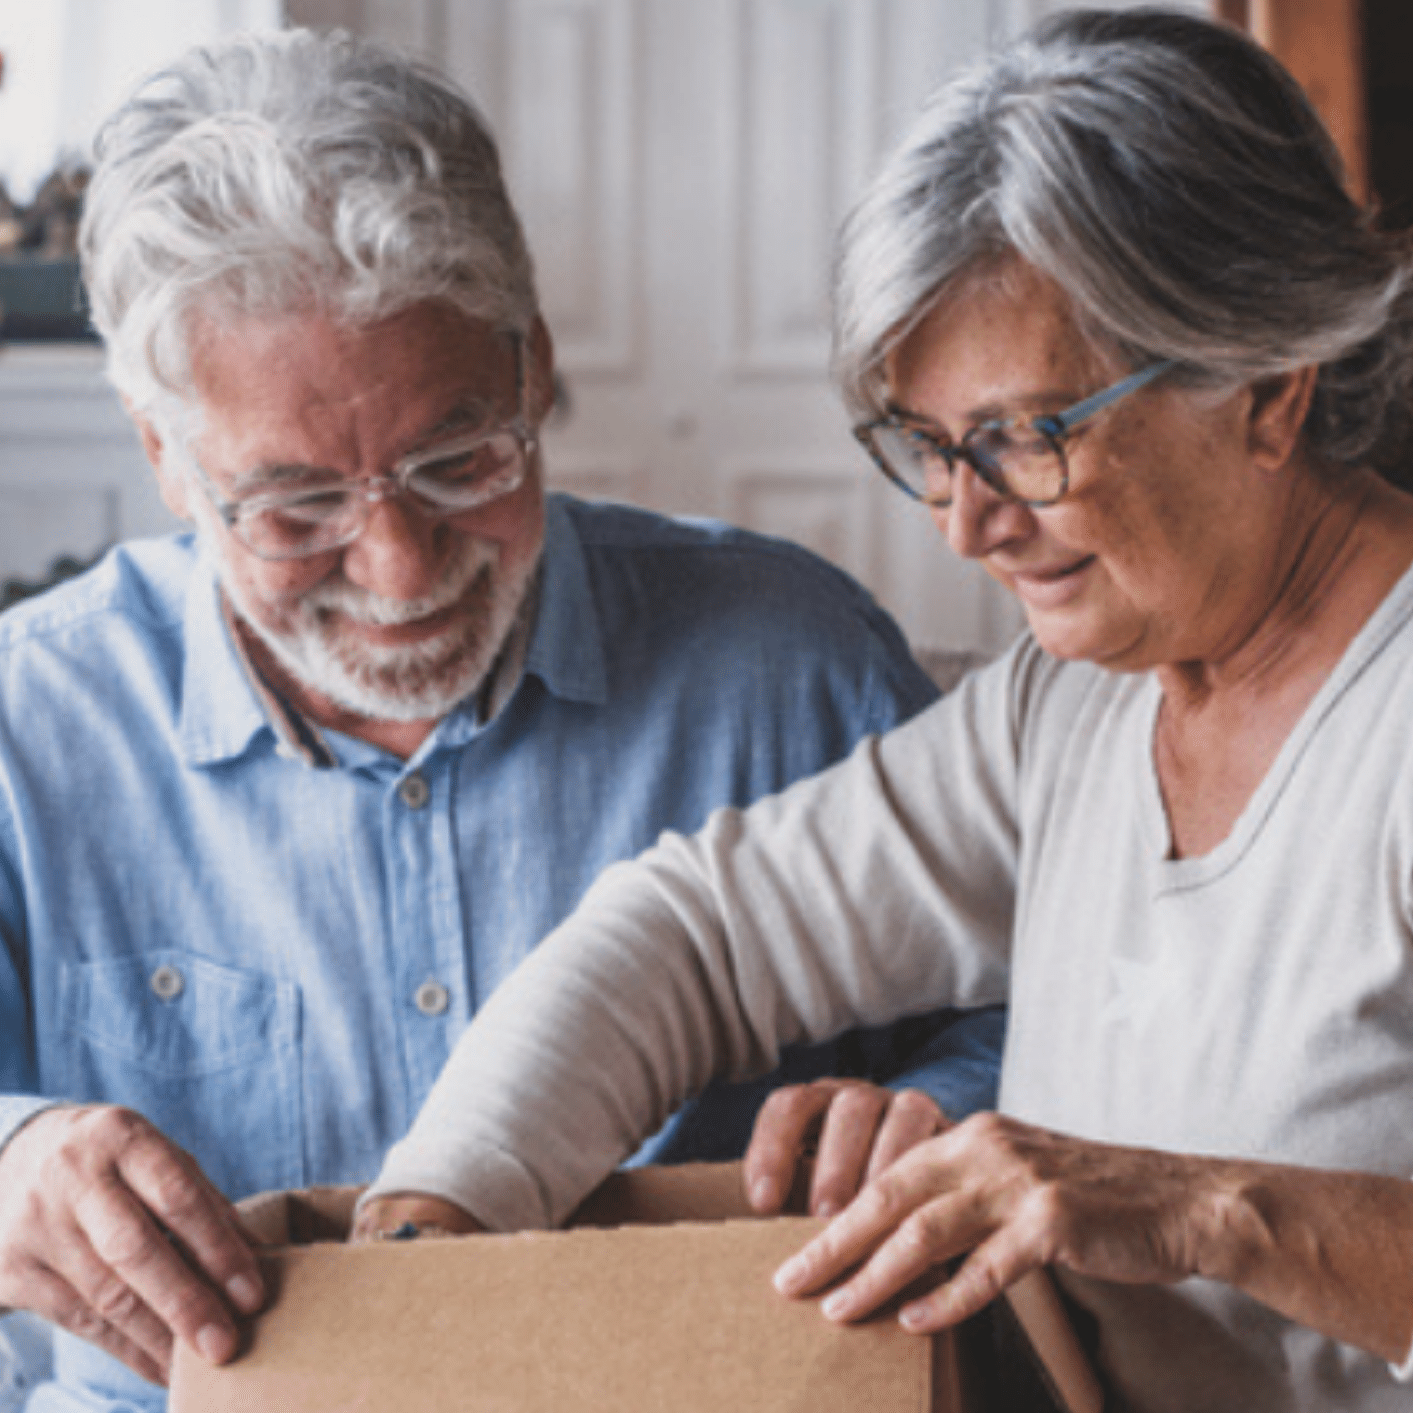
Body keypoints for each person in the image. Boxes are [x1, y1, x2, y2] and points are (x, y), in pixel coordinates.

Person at [356, 8, 1413, 1411]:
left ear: (1271, 389)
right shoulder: (1069, 709)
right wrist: (434, 1226)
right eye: (928, 445)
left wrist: (1208, 1209)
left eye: (1027, 437)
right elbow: (699, 935)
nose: (966, 523)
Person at [0, 27, 1008, 1413]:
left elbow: (1056, 1028)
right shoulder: (27, 728)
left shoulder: (795, 667)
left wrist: (936, 1113)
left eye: (459, 458)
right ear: (164, 453)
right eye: (298, 506)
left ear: (531, 367)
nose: (403, 567)